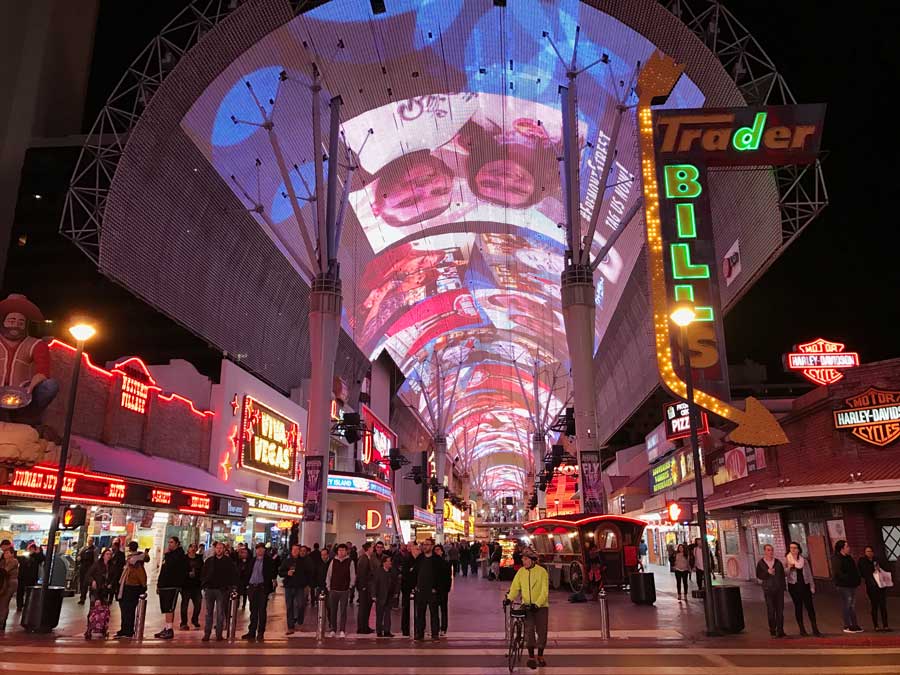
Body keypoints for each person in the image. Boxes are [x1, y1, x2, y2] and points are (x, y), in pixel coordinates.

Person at [0, 294, 60, 426]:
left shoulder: (36, 344)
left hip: (22, 394)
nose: (15, 325)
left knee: (50, 385)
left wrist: (31, 387)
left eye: (20, 322)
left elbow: (43, 370)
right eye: (12, 320)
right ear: (3, 322)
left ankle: (25, 418)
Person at [505, 547, 549, 670]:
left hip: (541, 607)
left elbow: (545, 591)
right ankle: (531, 657)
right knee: (529, 631)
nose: (523, 561)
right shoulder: (520, 572)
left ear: (532, 560)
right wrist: (509, 598)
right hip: (527, 606)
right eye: (522, 559)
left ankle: (540, 655)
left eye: (525, 559)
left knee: (542, 631)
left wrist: (537, 604)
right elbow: (515, 588)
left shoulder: (542, 572)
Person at [201, 541, 238, 642]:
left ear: (224, 549)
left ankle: (219, 634)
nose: (219, 550)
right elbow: (203, 573)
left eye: (221, 548)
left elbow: (232, 575)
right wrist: (204, 585)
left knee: (220, 613)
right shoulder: (209, 561)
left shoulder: (228, 561)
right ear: (214, 549)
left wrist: (231, 587)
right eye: (217, 548)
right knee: (209, 612)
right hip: (210, 589)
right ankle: (207, 634)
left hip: (222, 590)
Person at [154, 536, 187, 640]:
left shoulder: (179, 555)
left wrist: (167, 554)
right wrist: (159, 584)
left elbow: (172, 567)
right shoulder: (169, 555)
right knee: (165, 607)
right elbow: (164, 570)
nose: (170, 544)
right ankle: (167, 627)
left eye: (172, 542)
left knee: (169, 608)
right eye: (169, 542)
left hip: (172, 585)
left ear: (177, 543)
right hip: (165, 585)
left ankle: (169, 629)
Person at [242, 543, 277, 642]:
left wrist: (272, 582)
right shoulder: (252, 561)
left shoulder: (268, 561)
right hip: (252, 587)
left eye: (262, 549)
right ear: (256, 550)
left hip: (262, 588)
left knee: (262, 611)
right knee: (253, 611)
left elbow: (273, 573)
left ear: (264, 550)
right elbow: (247, 573)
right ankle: (251, 631)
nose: (260, 551)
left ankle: (261, 632)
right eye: (258, 549)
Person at [785, 541, 821, 636]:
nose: (793, 549)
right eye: (791, 548)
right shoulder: (787, 560)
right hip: (794, 586)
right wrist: (789, 568)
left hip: (805, 585)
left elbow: (809, 574)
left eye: (795, 548)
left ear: (798, 549)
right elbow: (785, 574)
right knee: (798, 607)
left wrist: (812, 586)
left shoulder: (803, 560)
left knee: (810, 607)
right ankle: (802, 629)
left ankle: (815, 629)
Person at [115, 542, 148, 639]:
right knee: (125, 609)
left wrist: (143, 586)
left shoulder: (136, 561)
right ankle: (124, 629)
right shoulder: (133, 559)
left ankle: (128, 630)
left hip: (132, 587)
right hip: (126, 586)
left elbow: (141, 575)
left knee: (128, 609)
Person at [832, 539, 864, 633]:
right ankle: (847, 625)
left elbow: (854, 569)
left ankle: (854, 624)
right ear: (842, 549)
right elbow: (838, 573)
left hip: (852, 585)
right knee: (847, 604)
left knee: (852, 605)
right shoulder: (837, 559)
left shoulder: (849, 558)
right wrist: (849, 578)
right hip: (843, 585)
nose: (848, 548)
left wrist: (857, 579)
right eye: (847, 547)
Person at [279, 544, 312, 635]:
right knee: (289, 606)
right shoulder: (287, 561)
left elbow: (309, 572)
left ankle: (300, 619)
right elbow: (281, 572)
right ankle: (290, 626)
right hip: (289, 586)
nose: (295, 551)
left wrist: (307, 583)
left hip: (300, 586)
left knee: (301, 605)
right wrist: (287, 573)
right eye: (294, 549)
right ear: (291, 550)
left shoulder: (303, 561)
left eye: (297, 550)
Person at [413, 538, 441, 642]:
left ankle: (435, 634)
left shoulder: (437, 560)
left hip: (432, 591)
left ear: (432, 546)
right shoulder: (420, 558)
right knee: (420, 613)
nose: (425, 546)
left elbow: (441, 576)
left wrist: (436, 588)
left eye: (428, 544)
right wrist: (415, 585)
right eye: (424, 544)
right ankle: (420, 634)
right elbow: (415, 572)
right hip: (421, 590)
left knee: (434, 613)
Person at [325, 543, 355, 638]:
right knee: (333, 610)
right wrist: (329, 587)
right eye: (339, 550)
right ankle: (333, 629)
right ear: (337, 552)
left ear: (346, 551)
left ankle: (342, 630)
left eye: (343, 550)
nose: (341, 552)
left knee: (343, 611)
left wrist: (350, 586)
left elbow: (352, 575)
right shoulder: (333, 561)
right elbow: (329, 574)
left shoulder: (350, 562)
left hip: (344, 590)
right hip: (333, 589)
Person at [858, 545, 891, 632]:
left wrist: (878, 569)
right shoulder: (863, 561)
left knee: (883, 605)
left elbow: (884, 568)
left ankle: (885, 625)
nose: (869, 553)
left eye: (870, 551)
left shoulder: (877, 560)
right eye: (867, 552)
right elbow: (863, 573)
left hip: (880, 586)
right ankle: (876, 625)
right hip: (871, 587)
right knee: (874, 606)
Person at [756, 544, 786, 638]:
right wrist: (767, 573)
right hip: (768, 590)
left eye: (772, 550)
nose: (770, 552)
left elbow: (782, 575)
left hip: (779, 590)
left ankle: (780, 630)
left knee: (780, 610)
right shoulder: (761, 563)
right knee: (771, 610)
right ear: (764, 551)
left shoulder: (777, 562)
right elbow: (759, 575)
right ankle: (773, 629)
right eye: (768, 550)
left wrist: (783, 587)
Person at [372, 554, 398, 637]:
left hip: (389, 596)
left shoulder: (392, 571)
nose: (390, 563)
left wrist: (396, 592)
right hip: (380, 596)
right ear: (384, 563)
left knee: (387, 615)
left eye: (390, 561)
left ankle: (387, 631)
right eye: (389, 561)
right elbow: (374, 584)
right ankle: (379, 631)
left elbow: (396, 582)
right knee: (379, 615)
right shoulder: (378, 572)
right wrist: (374, 595)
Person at [180, 543, 203, 629]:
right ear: (188, 548)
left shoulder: (199, 559)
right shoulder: (184, 559)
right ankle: (184, 622)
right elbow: (180, 570)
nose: (193, 549)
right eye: (191, 547)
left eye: (195, 547)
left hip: (196, 586)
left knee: (198, 604)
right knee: (184, 604)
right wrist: (187, 574)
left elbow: (202, 570)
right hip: (186, 585)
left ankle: (195, 619)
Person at [16, 542, 42, 612]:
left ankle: (28, 605)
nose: (31, 550)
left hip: (31, 577)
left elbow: (42, 559)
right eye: (30, 548)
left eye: (33, 549)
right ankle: (19, 606)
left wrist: (38, 553)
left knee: (29, 592)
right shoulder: (24, 555)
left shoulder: (37, 557)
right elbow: (18, 559)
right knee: (20, 592)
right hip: (22, 576)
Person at [433, 543, 452, 636]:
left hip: (443, 590)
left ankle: (443, 628)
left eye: (438, 550)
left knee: (443, 610)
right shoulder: (431, 563)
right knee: (434, 610)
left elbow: (449, 577)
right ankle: (436, 628)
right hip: (434, 590)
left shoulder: (446, 563)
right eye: (435, 550)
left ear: (442, 551)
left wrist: (447, 588)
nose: (437, 551)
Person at [356, 542, 374, 634]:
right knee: (364, 607)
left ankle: (365, 626)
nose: (373, 549)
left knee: (366, 607)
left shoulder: (367, 558)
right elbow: (362, 574)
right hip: (364, 587)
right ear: (368, 549)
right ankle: (362, 627)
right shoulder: (364, 559)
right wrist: (363, 587)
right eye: (372, 547)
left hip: (366, 587)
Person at [399, 542, 416, 637]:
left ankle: (416, 628)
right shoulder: (405, 557)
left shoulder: (417, 558)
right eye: (408, 546)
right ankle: (405, 629)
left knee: (417, 608)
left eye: (411, 546)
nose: (409, 547)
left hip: (414, 586)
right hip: (406, 586)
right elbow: (405, 572)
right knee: (405, 607)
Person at [0, 546, 19, 631]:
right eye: (4, 553)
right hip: (3, 584)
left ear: (12, 554)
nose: (5, 554)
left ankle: (2, 622)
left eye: (7, 553)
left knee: (4, 602)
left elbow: (4, 571)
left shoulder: (14, 561)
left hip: (10, 584)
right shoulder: (3, 561)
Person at [77, 537, 97, 604]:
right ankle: (82, 597)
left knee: (86, 583)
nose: (89, 541)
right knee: (82, 582)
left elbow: (95, 559)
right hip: (83, 567)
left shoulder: (94, 549)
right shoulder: (83, 548)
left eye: (91, 540)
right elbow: (79, 555)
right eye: (89, 540)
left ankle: (89, 598)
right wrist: (79, 558)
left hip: (89, 567)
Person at [235, 545, 252, 610]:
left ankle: (244, 605)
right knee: (238, 593)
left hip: (246, 580)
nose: (244, 554)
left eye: (245, 553)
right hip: (239, 580)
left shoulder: (250, 562)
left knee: (245, 594)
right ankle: (237, 604)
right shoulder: (238, 561)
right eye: (243, 553)